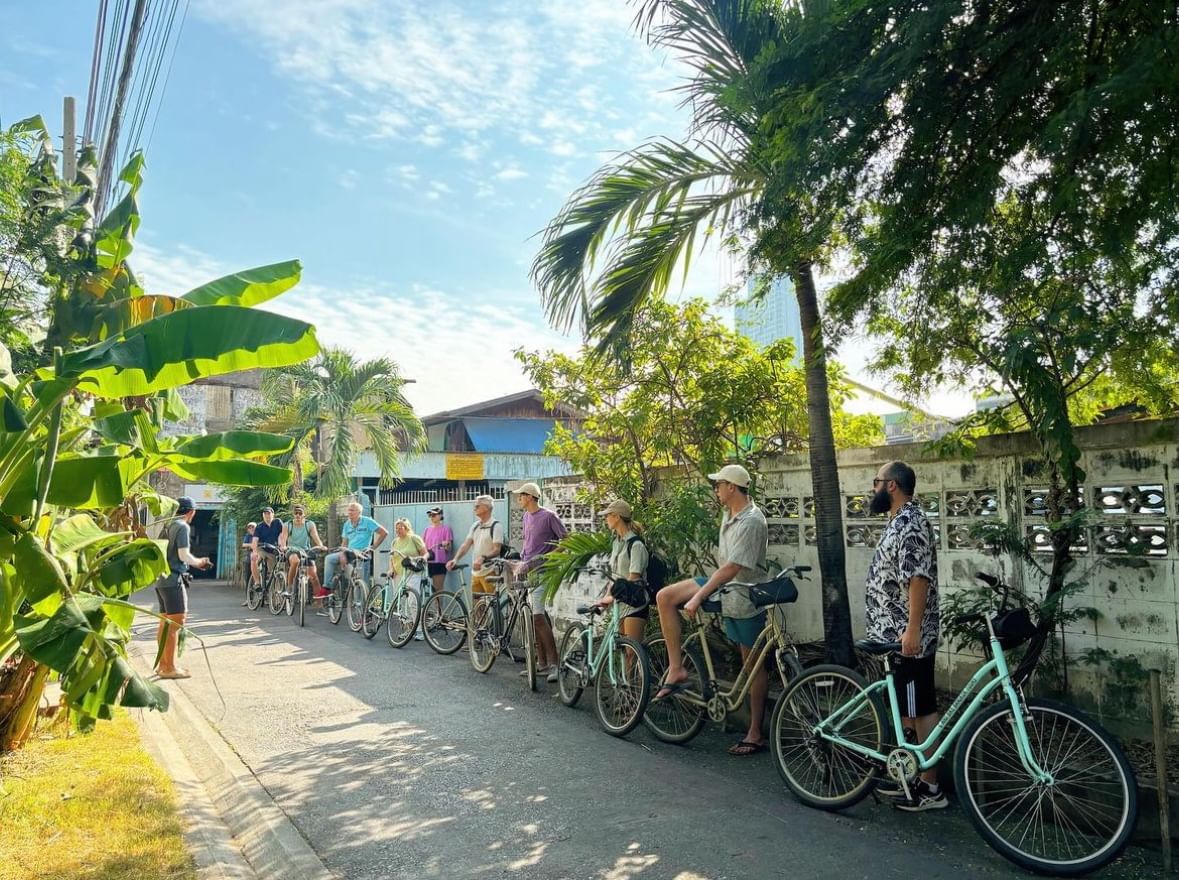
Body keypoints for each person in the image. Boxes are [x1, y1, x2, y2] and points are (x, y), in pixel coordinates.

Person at [653, 464, 770, 757]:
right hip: (724, 587)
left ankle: (755, 732)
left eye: (719, 484)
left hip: (744, 596)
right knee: (665, 597)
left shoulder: (752, 521)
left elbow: (733, 568)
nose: (716, 489)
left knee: (753, 666)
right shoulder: (729, 514)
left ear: (732, 487)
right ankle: (676, 668)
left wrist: (698, 597)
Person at [865, 461, 945, 811]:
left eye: (876, 482)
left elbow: (918, 578)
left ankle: (930, 788)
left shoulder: (910, 523)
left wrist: (912, 630)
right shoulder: (900, 520)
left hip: (907, 638)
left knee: (921, 707)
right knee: (908, 710)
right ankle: (912, 778)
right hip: (896, 637)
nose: (874, 489)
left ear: (892, 485)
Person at [512, 482, 567, 684]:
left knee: (537, 617)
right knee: (537, 616)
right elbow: (528, 545)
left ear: (530, 496)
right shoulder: (526, 516)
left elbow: (566, 540)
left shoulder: (549, 516)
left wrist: (548, 558)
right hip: (529, 571)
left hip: (544, 572)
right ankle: (541, 663)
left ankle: (555, 665)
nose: (519, 498)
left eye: (521, 495)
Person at [154, 496, 212, 679]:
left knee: (165, 623)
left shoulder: (167, 525)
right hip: (173, 579)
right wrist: (199, 562)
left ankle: (163, 665)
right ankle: (169, 667)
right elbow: (183, 554)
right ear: (191, 512)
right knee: (176, 622)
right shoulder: (182, 526)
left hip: (162, 579)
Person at [594, 499, 649, 644]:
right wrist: (605, 599)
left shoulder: (636, 545)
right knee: (623, 652)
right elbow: (615, 577)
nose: (606, 519)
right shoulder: (616, 543)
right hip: (619, 605)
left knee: (632, 652)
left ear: (617, 516)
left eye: (608, 515)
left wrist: (611, 598)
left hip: (634, 605)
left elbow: (633, 577)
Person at [322, 501, 388, 594]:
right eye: (348, 510)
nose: (349, 512)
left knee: (362, 583)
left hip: (362, 554)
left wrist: (372, 547)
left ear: (359, 512)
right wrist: (342, 553)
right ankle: (327, 587)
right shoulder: (347, 524)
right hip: (349, 552)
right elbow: (344, 543)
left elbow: (384, 533)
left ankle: (363, 605)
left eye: (352, 510)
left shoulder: (367, 521)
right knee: (329, 558)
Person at [446, 495, 503, 597]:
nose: (474, 508)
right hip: (476, 572)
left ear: (486, 508)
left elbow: (496, 549)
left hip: (490, 572)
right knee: (477, 608)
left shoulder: (496, 526)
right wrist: (455, 559)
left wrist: (483, 558)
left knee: (493, 605)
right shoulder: (475, 525)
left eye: (477, 506)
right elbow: (466, 545)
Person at [389, 517, 429, 638]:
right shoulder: (394, 542)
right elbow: (391, 557)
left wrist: (423, 559)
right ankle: (407, 628)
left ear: (406, 528)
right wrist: (391, 569)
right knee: (401, 603)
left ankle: (420, 630)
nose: (397, 530)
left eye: (400, 528)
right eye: (396, 528)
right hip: (398, 574)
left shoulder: (414, 538)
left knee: (413, 601)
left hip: (412, 573)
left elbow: (425, 553)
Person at [285, 504, 326, 597]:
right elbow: (283, 537)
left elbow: (315, 536)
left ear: (304, 514)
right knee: (295, 561)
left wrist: (321, 546)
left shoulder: (309, 524)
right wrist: (283, 546)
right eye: (296, 513)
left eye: (300, 513)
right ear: (293, 514)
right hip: (292, 550)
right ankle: (289, 587)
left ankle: (320, 603)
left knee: (313, 576)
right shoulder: (288, 525)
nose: (298, 515)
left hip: (306, 551)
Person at [250, 506, 286, 593]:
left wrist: (282, 545)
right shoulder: (259, 526)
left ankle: (275, 592)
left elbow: (282, 535)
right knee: (253, 558)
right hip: (262, 548)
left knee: (277, 570)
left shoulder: (277, 522)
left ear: (273, 514)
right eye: (265, 514)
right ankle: (257, 583)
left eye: (269, 513)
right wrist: (254, 552)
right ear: (263, 515)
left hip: (274, 549)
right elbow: (254, 541)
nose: (267, 515)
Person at [422, 507, 454, 594]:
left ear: (440, 516)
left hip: (439, 562)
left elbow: (449, 548)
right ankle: (431, 607)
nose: (431, 517)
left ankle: (439, 608)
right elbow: (423, 546)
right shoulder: (427, 530)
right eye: (430, 515)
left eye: (434, 515)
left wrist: (445, 545)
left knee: (438, 589)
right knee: (428, 589)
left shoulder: (446, 529)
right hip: (428, 562)